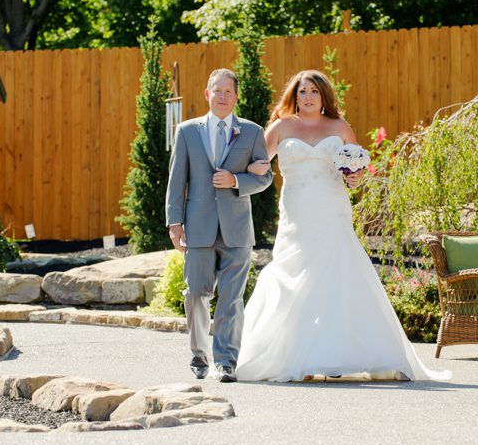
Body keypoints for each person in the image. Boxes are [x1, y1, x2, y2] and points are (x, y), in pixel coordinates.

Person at [235, 70, 451, 382]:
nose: (307, 97)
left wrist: (355, 176)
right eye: (302, 92)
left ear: (324, 97)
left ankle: (357, 355)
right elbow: (259, 164)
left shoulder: (339, 127)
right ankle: (296, 357)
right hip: (297, 213)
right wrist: (251, 167)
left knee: (338, 276)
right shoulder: (281, 127)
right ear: (294, 96)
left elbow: (358, 169)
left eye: (314, 92)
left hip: (332, 210)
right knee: (294, 276)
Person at [165, 68, 273, 383]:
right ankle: (199, 355)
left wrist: (236, 180)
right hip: (197, 227)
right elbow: (177, 180)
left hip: (237, 229)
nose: (223, 96)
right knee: (196, 294)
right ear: (207, 94)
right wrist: (175, 222)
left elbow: (264, 177)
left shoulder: (252, 132)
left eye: (229, 91)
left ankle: (226, 361)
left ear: (236, 97)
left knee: (231, 298)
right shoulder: (187, 131)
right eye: (218, 90)